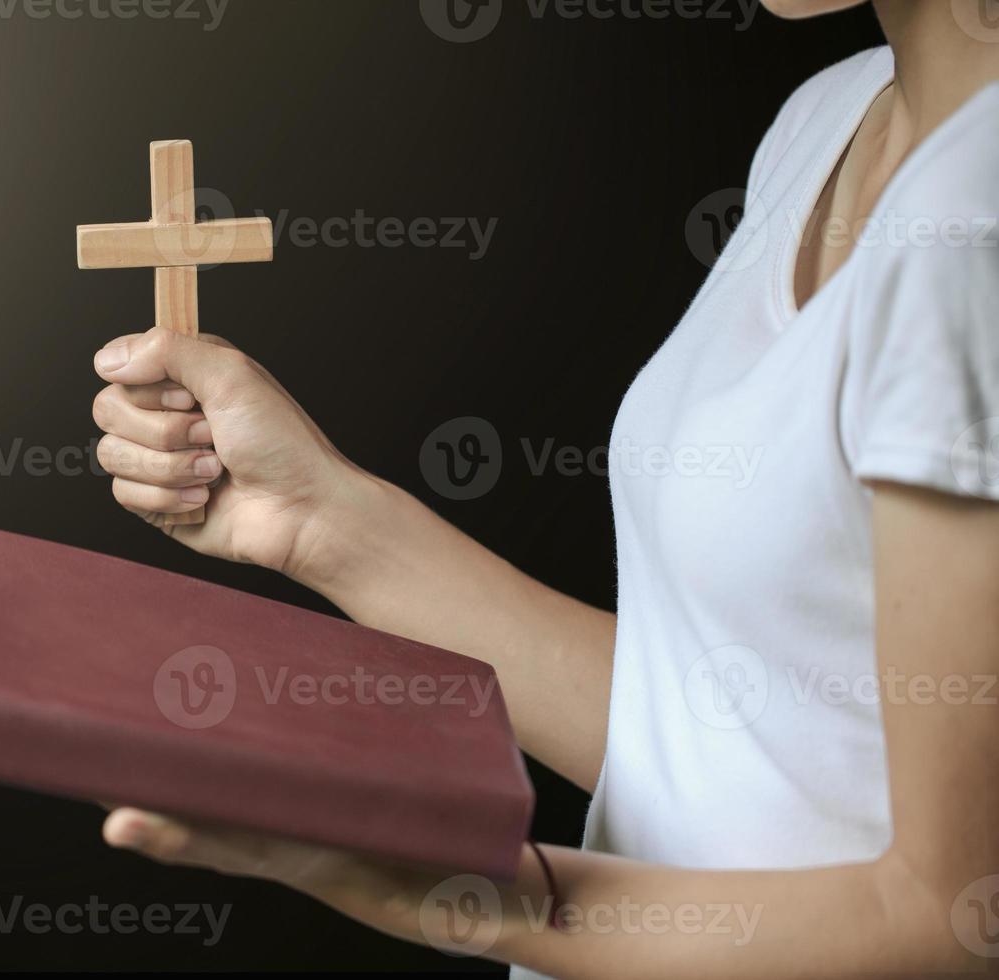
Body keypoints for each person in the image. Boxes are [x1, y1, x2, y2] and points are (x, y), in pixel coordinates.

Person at [85, 1, 999, 974]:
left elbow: (951, 918)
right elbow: (713, 730)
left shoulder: (972, 220)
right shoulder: (835, 113)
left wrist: (489, 899)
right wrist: (311, 518)